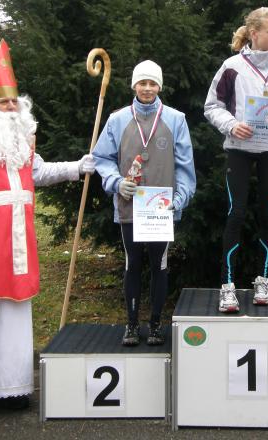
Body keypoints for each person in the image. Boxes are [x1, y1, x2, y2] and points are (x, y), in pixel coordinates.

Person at [0, 39, 95, 409]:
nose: (10, 108)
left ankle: (11, 388)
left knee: (16, 312)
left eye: (13, 102)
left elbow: (40, 172)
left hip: (20, 241)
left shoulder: (23, 144)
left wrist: (77, 167)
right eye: (2, 103)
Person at [204, 7, 268, 312]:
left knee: (267, 214)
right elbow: (212, 105)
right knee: (235, 213)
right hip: (239, 149)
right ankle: (227, 286)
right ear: (254, 33)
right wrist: (232, 125)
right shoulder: (232, 66)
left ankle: (263, 280)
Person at [92, 60, 196, 347]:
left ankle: (155, 325)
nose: (147, 88)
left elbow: (185, 165)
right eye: (142, 83)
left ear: (159, 86)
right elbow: (101, 158)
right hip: (129, 205)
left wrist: (180, 198)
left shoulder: (176, 119)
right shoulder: (117, 119)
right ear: (134, 86)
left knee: (159, 264)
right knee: (133, 263)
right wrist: (116, 182)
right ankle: (132, 323)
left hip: (161, 209)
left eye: (152, 83)